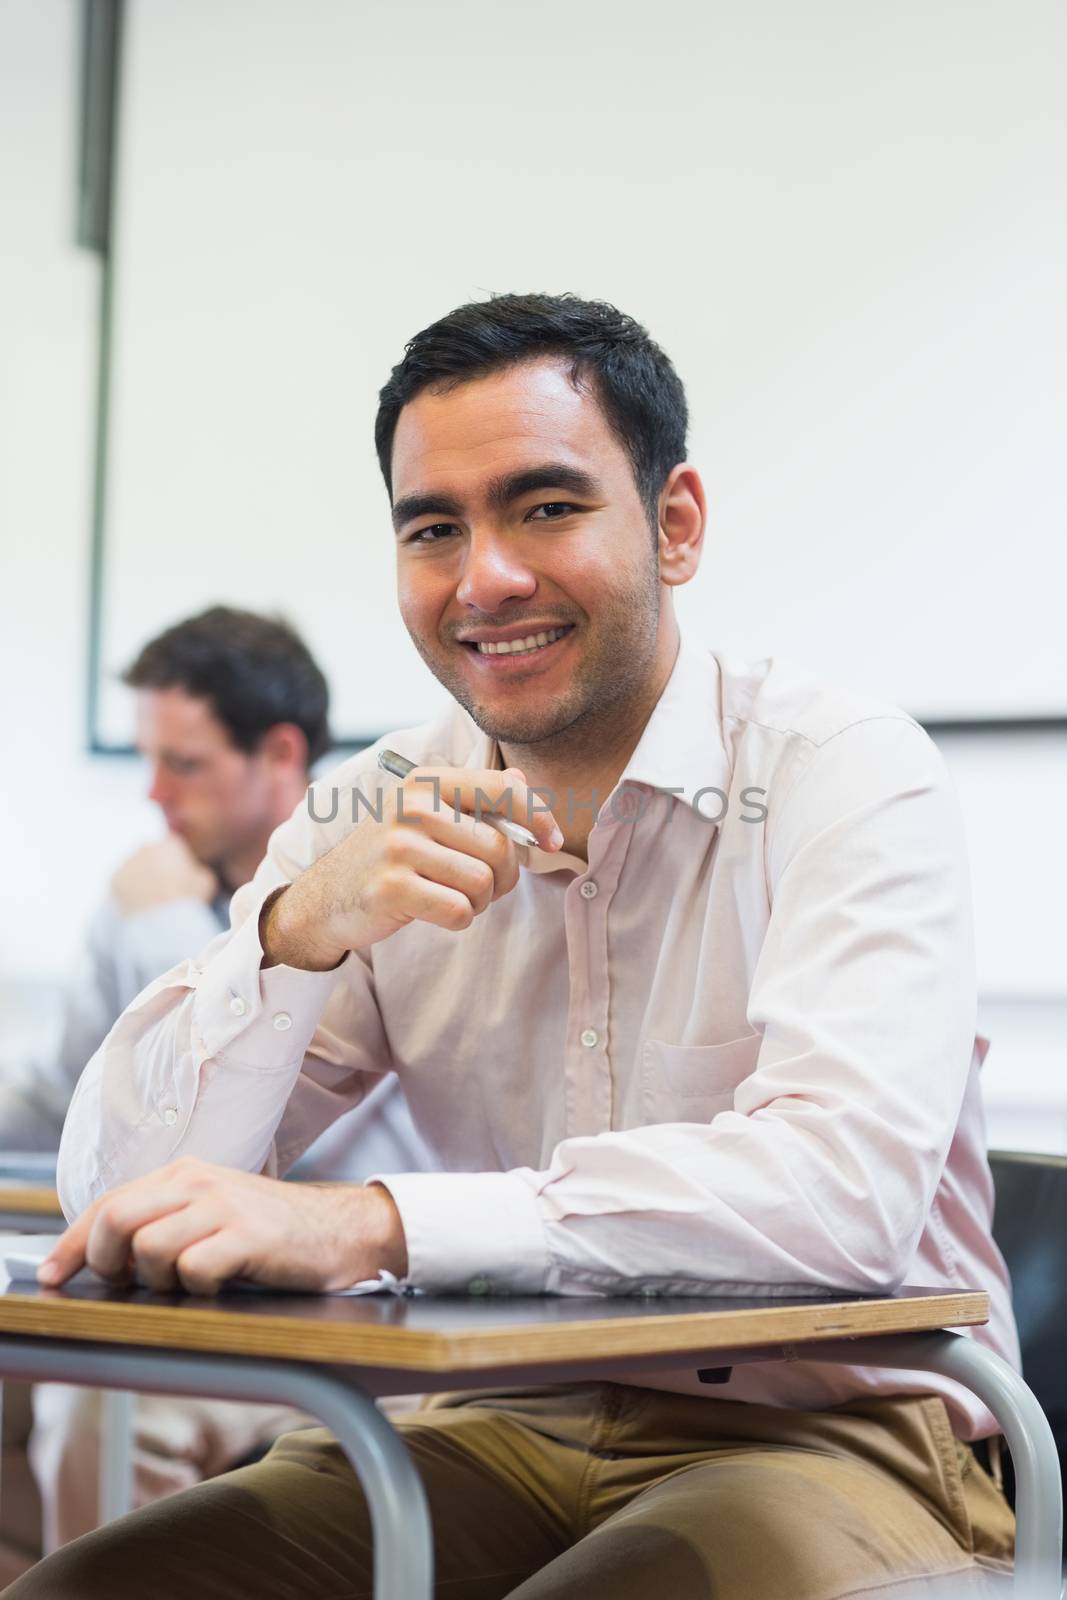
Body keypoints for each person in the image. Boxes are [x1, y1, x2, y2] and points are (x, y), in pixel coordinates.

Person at [10, 294, 1019, 1600]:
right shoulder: (369, 806)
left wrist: (372, 1225)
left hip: (837, 1429)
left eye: (543, 507)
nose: (482, 577)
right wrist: (294, 934)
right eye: (433, 528)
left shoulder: (840, 771)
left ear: (673, 523)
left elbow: (839, 1195)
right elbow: (126, 1190)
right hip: (494, 1418)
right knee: (85, 1593)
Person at [6, 605, 429, 1554]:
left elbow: (273, 1114)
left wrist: (167, 927)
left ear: (280, 755)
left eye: (183, 764)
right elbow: (60, 1097)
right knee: (82, 1380)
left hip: (347, 1303)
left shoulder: (391, 880)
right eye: (148, 759)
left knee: (102, 1405)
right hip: (186, 1289)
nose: (153, 793)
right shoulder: (145, 891)